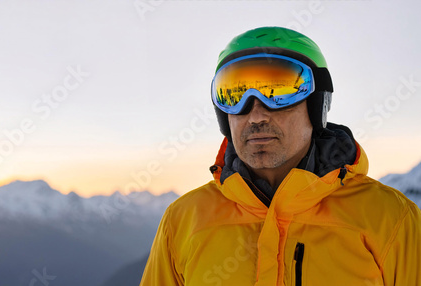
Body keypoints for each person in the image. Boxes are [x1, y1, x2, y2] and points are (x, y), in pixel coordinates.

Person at [140, 26, 421, 286]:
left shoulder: (390, 220)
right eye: (234, 95)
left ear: (316, 103)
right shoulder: (183, 221)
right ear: (223, 116)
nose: (256, 116)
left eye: (279, 93)